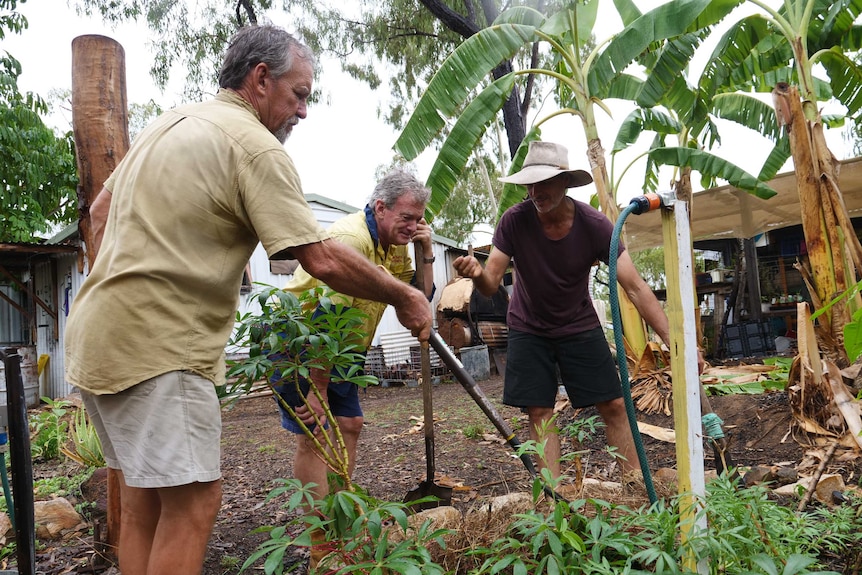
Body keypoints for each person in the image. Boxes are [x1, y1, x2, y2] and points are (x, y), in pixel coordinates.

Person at [64, 25, 432, 575]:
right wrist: (405, 296)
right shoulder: (253, 146)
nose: (303, 112)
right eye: (299, 94)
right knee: (193, 503)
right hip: (162, 347)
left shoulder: (168, 122)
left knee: (143, 500)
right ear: (260, 79)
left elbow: (98, 215)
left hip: (96, 333)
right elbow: (321, 259)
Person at [452, 140, 704, 481]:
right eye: (530, 183)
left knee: (613, 404)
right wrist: (478, 274)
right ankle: (552, 499)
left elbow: (636, 288)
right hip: (529, 327)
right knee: (540, 411)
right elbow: (491, 282)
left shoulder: (594, 225)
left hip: (578, 324)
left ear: (565, 181)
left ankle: (635, 485)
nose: (535, 191)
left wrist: (677, 345)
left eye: (543, 182)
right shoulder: (514, 220)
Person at [274, 169, 433, 563]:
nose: (413, 226)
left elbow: (415, 299)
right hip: (301, 343)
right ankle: (321, 547)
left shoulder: (395, 244)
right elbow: (328, 316)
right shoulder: (352, 240)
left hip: (342, 350)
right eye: (407, 218)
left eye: (419, 220)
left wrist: (424, 251)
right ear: (381, 207)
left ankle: (340, 522)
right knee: (317, 434)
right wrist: (318, 388)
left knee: (350, 424)